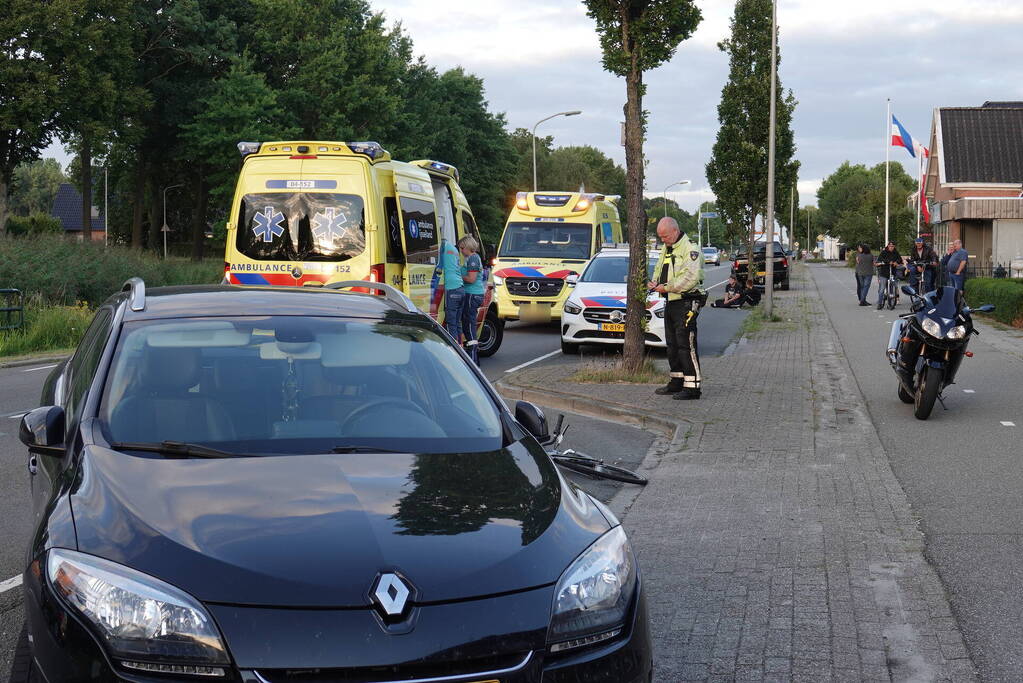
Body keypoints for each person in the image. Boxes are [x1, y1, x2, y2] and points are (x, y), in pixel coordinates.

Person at [649, 218, 705, 400]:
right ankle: (677, 381)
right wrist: (655, 283)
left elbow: (690, 278)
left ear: (675, 231)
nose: (662, 239)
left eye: (665, 236)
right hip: (671, 301)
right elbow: (660, 269)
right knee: (672, 345)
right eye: (660, 236)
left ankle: (693, 387)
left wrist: (666, 287)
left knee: (686, 345)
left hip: (686, 301)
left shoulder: (690, 249)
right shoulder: (668, 248)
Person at [458, 235, 485, 355]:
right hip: (473, 294)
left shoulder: (473, 259)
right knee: (468, 323)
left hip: (472, 294)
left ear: (468, 247)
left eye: (462, 248)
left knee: (469, 325)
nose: (461, 251)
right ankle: (472, 353)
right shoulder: (472, 258)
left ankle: (473, 354)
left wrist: (457, 275)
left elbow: (471, 279)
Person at [440, 237, 465, 342]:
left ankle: (454, 349)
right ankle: (461, 346)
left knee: (451, 323)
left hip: (451, 288)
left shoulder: (442, 246)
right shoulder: (454, 249)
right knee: (458, 322)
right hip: (461, 287)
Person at [874, 241, 902, 309]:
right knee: (882, 289)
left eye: (892, 246)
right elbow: (880, 259)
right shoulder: (884, 252)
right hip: (884, 273)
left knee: (892, 288)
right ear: (888, 246)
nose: (891, 247)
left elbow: (900, 260)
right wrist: (887, 262)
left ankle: (891, 303)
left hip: (892, 272)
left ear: (894, 246)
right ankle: (880, 303)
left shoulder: (896, 252)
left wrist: (896, 262)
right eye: (890, 246)